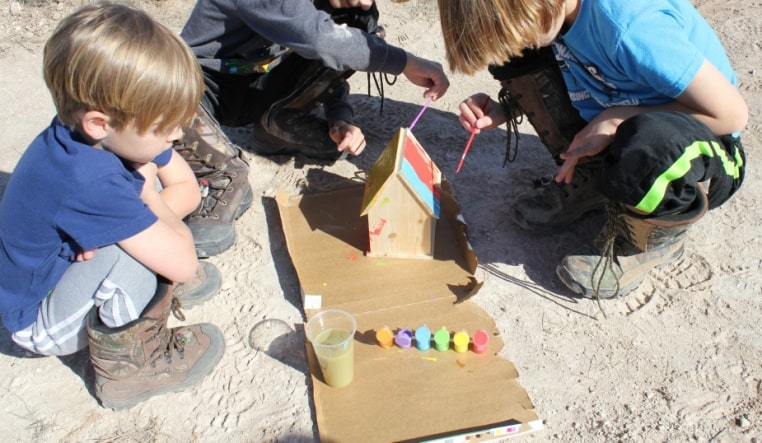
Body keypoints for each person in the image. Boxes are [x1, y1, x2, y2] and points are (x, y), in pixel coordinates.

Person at [437, 0, 748, 299]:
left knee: (648, 140)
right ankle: (593, 180)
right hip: (620, 124)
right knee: (519, 57)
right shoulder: (555, 12)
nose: (522, 43)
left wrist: (614, 119)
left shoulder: (631, 25)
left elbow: (730, 115)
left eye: (522, 31)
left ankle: (649, 238)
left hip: (698, 150)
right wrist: (506, 110)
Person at [0, 2, 225, 409]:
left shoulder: (105, 134)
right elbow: (184, 263)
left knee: (142, 224)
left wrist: (149, 206)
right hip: (36, 322)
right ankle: (130, 368)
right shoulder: (90, 176)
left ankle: (140, 258)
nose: (176, 135)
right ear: (99, 123)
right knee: (132, 258)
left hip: (59, 278)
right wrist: (149, 198)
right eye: (165, 126)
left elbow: (187, 188)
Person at [176, 0, 450, 257]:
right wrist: (404, 62)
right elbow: (322, 41)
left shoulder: (352, 6)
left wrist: (339, 117)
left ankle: (277, 123)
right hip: (202, 84)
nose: (367, 2)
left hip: (258, 86)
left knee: (363, 36)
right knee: (163, 105)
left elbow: (333, 62)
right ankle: (220, 172)